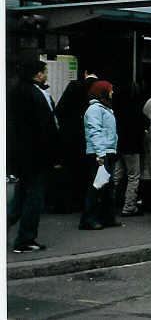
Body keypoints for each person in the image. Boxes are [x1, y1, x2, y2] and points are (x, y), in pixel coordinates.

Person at [7, 60, 61, 252]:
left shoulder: (17, 90)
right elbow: (45, 128)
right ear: (37, 74)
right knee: (34, 197)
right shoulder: (35, 94)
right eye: (44, 71)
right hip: (37, 156)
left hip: (22, 155)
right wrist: (54, 156)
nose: (46, 75)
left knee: (21, 195)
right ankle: (25, 239)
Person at [53, 68, 98, 212]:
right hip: (90, 136)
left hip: (70, 135)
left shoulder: (74, 86)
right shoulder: (100, 88)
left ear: (85, 73)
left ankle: (65, 203)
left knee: (68, 169)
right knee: (85, 170)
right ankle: (82, 201)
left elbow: (59, 110)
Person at [79, 80, 120, 230]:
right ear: (103, 91)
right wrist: (101, 154)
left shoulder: (105, 108)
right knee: (96, 187)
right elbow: (94, 131)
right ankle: (88, 220)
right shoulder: (95, 109)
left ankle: (107, 217)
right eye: (110, 90)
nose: (112, 92)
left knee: (108, 187)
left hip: (107, 151)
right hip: (100, 153)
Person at [113, 84, 146, 217]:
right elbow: (143, 125)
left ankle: (106, 202)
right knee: (133, 176)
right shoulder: (137, 109)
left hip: (119, 146)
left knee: (116, 176)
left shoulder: (117, 109)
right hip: (132, 147)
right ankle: (129, 206)